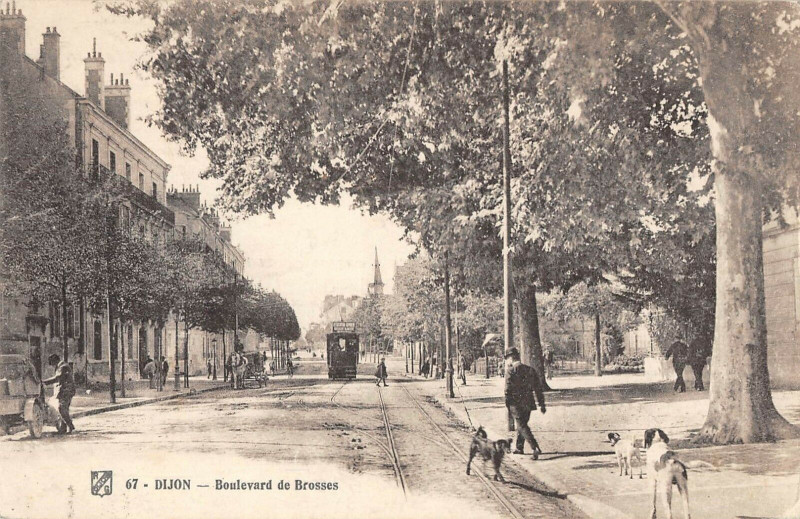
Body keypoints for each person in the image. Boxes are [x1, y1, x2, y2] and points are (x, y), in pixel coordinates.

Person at [504, 347, 546, 459]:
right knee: (522, 424)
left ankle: (534, 447)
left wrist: (507, 404)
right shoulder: (530, 370)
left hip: (515, 403)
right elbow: (538, 389)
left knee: (522, 426)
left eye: (507, 359)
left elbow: (507, 390)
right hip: (528, 403)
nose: (507, 361)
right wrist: (542, 404)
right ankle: (519, 447)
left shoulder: (511, 371)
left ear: (511, 358)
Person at [41, 354, 76, 434]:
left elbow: (58, 378)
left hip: (65, 391)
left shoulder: (62, 367)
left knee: (61, 408)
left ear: (55, 360)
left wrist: (44, 382)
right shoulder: (62, 366)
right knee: (64, 409)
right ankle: (63, 429)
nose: (52, 365)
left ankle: (71, 426)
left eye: (52, 363)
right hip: (66, 391)